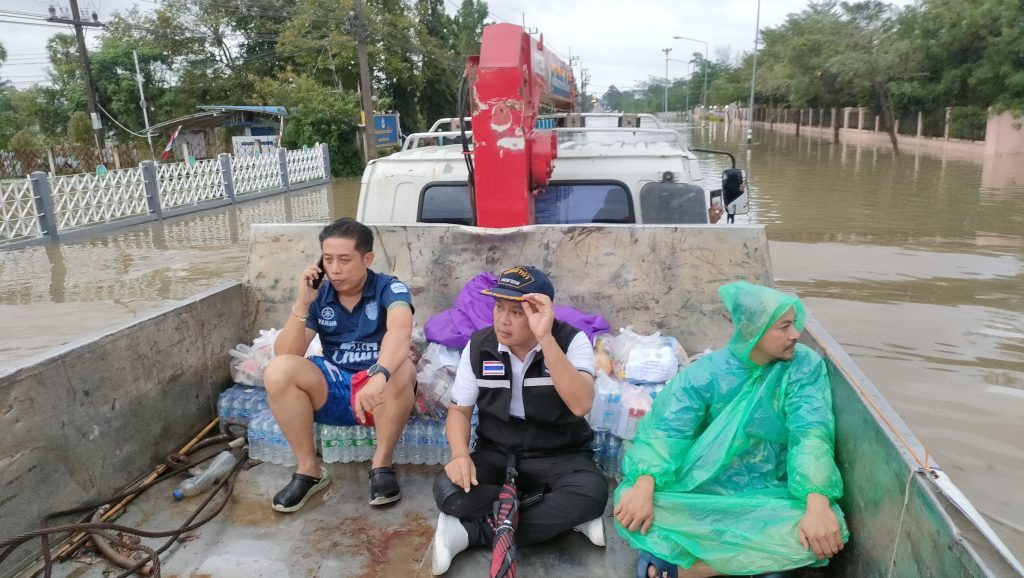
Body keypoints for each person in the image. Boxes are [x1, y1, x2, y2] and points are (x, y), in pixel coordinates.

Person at [614, 282, 849, 578]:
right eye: (784, 327)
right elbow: (666, 433)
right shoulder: (704, 375)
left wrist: (817, 501)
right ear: (754, 331)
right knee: (631, 502)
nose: (795, 334)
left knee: (829, 527)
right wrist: (645, 485)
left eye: (794, 324)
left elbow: (811, 435)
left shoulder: (802, 367)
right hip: (701, 491)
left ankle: (696, 570)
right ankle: (751, 562)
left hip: (770, 492)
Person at [430, 265, 609, 575]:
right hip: (497, 451)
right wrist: (459, 456)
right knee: (448, 489)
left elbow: (581, 404)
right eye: (499, 307)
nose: (502, 319)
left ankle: (470, 533)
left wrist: (546, 339)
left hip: (559, 453)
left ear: (542, 312)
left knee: (592, 493)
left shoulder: (570, 341)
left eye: (517, 312)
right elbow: (459, 411)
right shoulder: (479, 345)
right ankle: (558, 517)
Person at [263, 217, 417, 512]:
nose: (335, 269)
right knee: (279, 371)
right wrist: (302, 303)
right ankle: (309, 471)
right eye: (328, 259)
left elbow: (400, 331)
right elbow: (287, 353)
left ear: (367, 258)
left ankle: (382, 465)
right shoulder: (320, 294)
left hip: (380, 393)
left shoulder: (389, 288)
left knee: (402, 369)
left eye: (345, 260)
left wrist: (379, 374)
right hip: (334, 386)